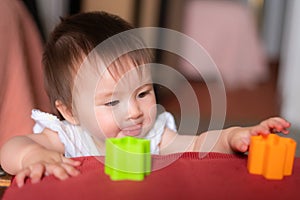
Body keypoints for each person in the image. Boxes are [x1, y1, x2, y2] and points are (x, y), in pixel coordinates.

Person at [0, 11, 290, 188]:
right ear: (71, 112)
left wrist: (231, 137)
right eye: (112, 103)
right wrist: (33, 157)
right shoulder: (70, 137)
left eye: (142, 93)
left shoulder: (153, 135)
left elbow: (199, 145)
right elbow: (12, 147)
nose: (135, 113)